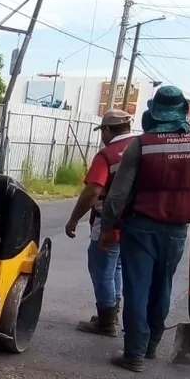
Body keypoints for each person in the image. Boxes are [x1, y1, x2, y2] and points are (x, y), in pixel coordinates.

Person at [98, 86, 190, 372]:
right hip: (177, 228)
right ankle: (151, 346)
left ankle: (134, 353)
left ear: (154, 112)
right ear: (182, 111)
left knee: (137, 289)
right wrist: (186, 182)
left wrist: (107, 227)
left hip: (141, 225)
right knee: (162, 286)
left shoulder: (142, 144)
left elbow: (118, 194)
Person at [64, 108, 138, 336]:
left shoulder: (108, 154)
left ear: (107, 129)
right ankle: (111, 311)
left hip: (109, 222)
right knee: (116, 266)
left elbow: (93, 191)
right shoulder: (141, 147)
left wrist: (73, 219)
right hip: (136, 222)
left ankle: (106, 321)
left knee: (101, 268)